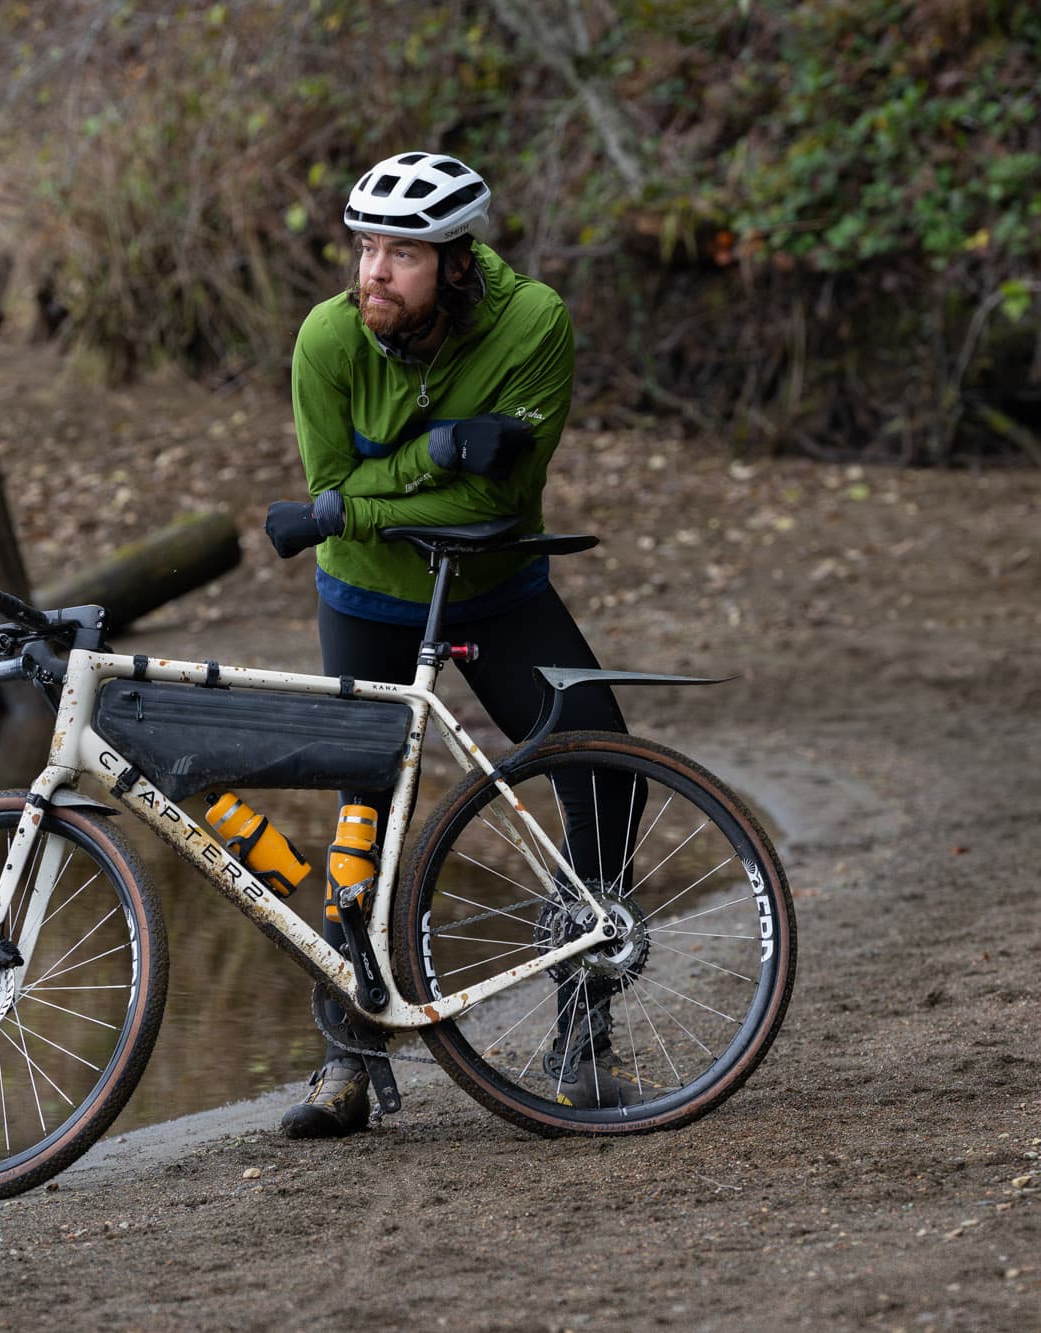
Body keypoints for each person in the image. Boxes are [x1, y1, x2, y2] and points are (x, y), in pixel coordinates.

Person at [264, 151, 641, 1139]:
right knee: (364, 812)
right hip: (369, 603)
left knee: (603, 763)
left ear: (456, 260)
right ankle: (347, 1056)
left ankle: (579, 1034)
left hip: (494, 589)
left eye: (401, 253)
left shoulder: (531, 324)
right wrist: (430, 452)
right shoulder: (327, 341)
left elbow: (494, 498)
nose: (373, 272)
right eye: (365, 247)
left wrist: (362, 496)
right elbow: (330, 501)